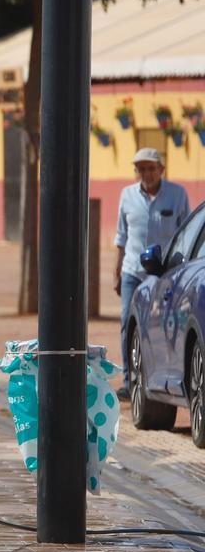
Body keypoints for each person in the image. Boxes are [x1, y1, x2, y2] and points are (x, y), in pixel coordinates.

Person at [115, 147, 189, 398]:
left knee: (165, 325)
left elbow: (185, 233)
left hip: (164, 273)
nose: (146, 173)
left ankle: (164, 377)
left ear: (161, 170)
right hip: (133, 271)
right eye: (141, 169)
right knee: (128, 321)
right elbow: (121, 238)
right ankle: (129, 380)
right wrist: (117, 272)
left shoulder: (178, 195)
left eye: (150, 168)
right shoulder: (126, 196)